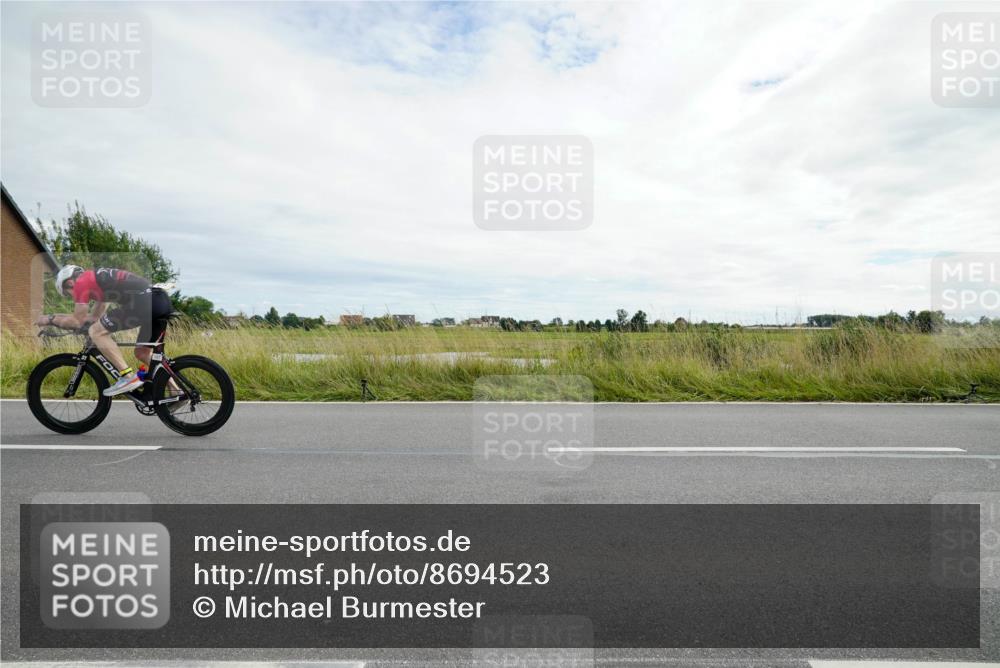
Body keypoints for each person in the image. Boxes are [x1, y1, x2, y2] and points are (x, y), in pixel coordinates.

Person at [38, 265, 174, 396]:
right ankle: (176, 390)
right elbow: (94, 318)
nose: (72, 297)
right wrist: (62, 319)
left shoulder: (80, 282)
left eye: (68, 294)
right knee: (142, 353)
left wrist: (50, 319)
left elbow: (78, 321)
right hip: (160, 300)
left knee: (96, 332)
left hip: (145, 301)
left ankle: (127, 376)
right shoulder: (97, 281)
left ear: (69, 283)